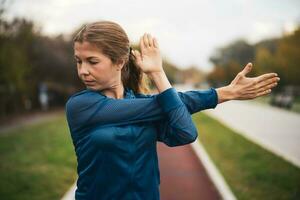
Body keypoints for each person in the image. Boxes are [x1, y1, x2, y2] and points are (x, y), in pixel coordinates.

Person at [65, 21, 280, 200]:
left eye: (92, 61)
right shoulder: (81, 106)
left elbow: (186, 132)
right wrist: (224, 93)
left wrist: (158, 73)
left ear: (120, 61)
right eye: (78, 61)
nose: (83, 71)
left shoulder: (143, 104)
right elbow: (162, 104)